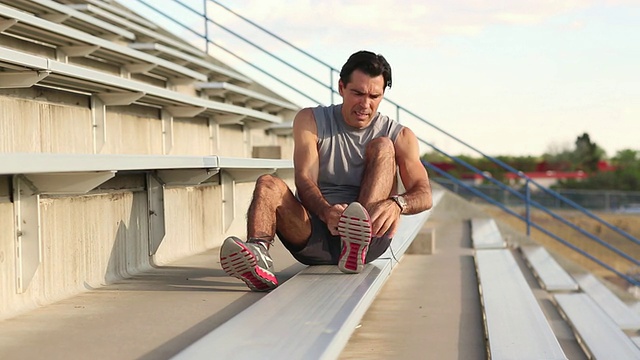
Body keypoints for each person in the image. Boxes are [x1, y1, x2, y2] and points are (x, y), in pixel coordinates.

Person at [219, 50, 433, 291]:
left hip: (369, 235)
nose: (365, 104)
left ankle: (356, 240)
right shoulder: (310, 120)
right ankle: (258, 254)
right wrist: (327, 212)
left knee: (383, 145)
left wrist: (397, 204)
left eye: (375, 96)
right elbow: (304, 179)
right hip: (314, 233)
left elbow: (424, 194)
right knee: (267, 183)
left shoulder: (400, 135)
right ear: (341, 87)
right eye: (358, 93)